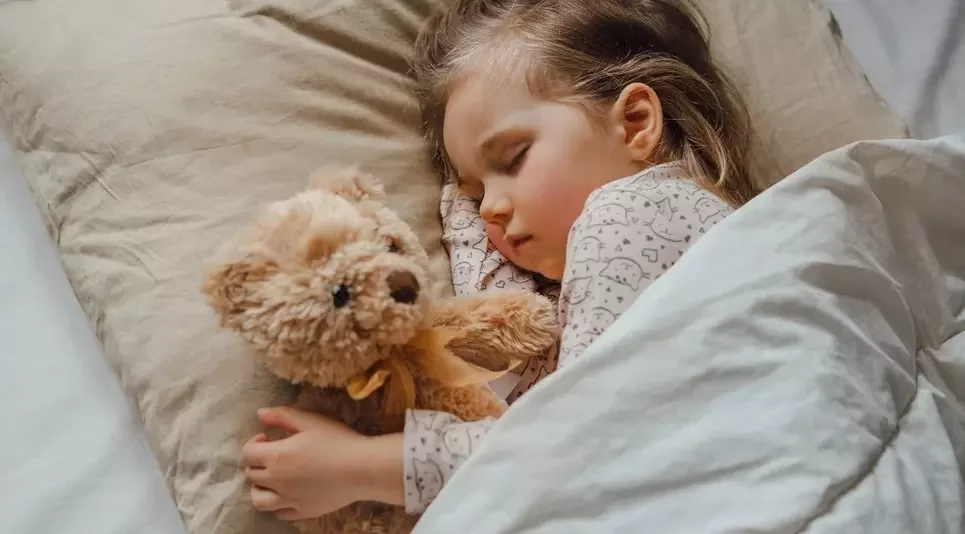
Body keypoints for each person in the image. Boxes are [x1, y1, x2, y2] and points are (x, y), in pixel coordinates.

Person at [240, 0, 760, 521]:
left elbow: (582, 443)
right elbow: (497, 351)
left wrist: (362, 466)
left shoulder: (637, 211)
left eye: (513, 159)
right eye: (473, 194)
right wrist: (466, 200)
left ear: (634, 122)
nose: (487, 208)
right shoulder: (588, 275)